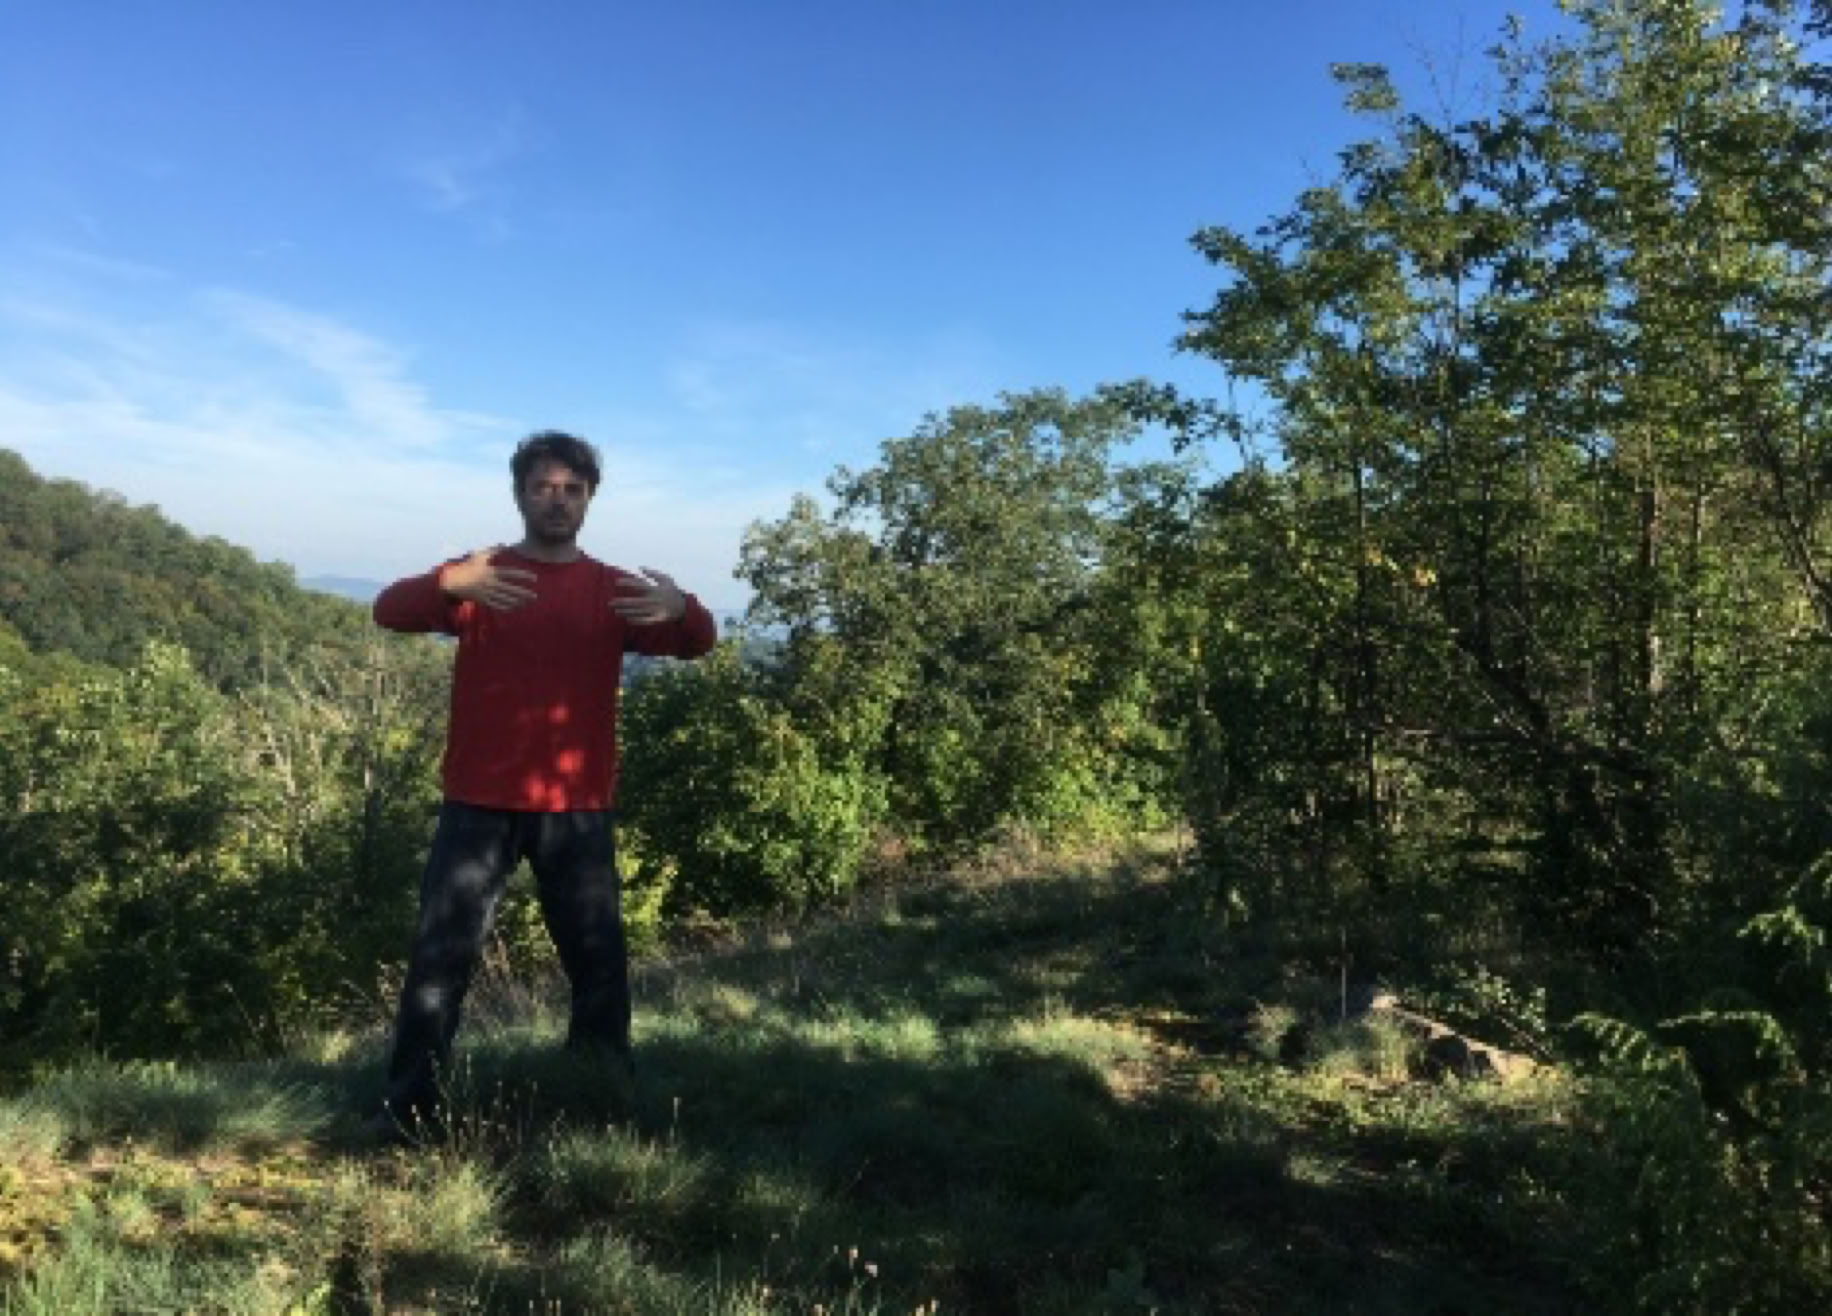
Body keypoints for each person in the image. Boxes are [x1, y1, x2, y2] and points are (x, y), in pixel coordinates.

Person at [368, 429, 717, 1136]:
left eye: (571, 490)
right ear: (520, 494)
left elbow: (695, 642)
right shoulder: (481, 576)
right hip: (477, 803)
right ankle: (409, 1111)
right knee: (440, 963)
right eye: (543, 488)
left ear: (589, 499)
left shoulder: (610, 590)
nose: (556, 501)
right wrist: (445, 583)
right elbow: (388, 610)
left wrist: (685, 610)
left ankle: (598, 1096)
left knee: (598, 967)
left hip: (576, 806)